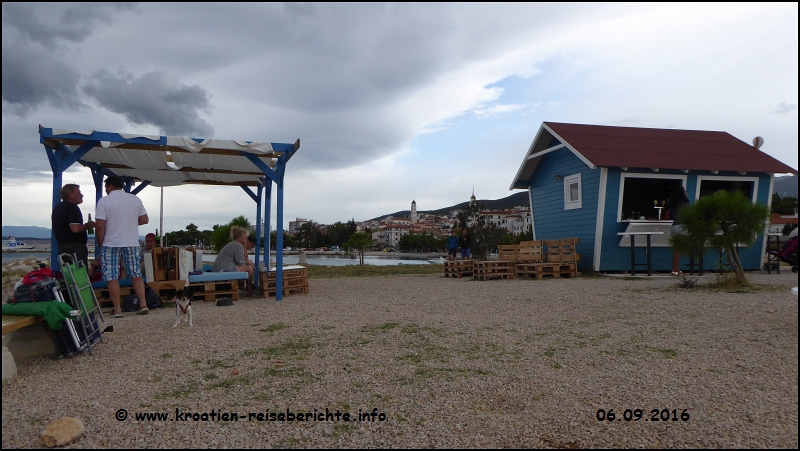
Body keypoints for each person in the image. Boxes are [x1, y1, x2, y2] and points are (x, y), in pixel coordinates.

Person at [95, 176, 149, 318]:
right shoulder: (134, 199)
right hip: (130, 241)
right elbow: (144, 219)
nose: (106, 190)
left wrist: (100, 242)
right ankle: (143, 304)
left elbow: (100, 226)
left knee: (112, 276)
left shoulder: (104, 201)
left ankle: (117, 309)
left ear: (111, 186)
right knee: (135, 274)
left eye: (106, 187)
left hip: (111, 242)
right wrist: (128, 222)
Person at [51, 184, 95, 267]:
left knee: (70, 273)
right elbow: (76, 229)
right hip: (75, 248)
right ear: (70, 194)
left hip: (62, 247)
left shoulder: (57, 208)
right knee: (79, 274)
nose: (82, 195)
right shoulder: (72, 208)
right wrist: (88, 225)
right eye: (79, 192)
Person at [212, 227, 255, 296]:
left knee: (248, 267)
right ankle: (249, 290)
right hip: (224, 268)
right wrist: (249, 263)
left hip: (219, 268)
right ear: (239, 238)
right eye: (245, 237)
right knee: (250, 269)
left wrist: (247, 263)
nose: (247, 239)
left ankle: (246, 289)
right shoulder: (238, 245)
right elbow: (241, 262)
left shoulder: (233, 244)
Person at [669, 186, 690, 276]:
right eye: (684, 191)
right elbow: (687, 214)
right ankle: (674, 270)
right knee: (679, 250)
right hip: (681, 226)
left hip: (674, 226)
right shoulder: (684, 203)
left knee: (676, 249)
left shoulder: (673, 203)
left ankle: (676, 269)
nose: (686, 192)